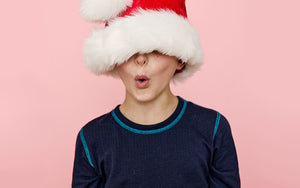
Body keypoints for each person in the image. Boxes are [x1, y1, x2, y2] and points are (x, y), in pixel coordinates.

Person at [72, 0, 240, 187]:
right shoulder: (92, 138)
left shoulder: (213, 129)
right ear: (113, 60)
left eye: (154, 48)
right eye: (128, 49)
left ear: (181, 59)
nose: (141, 59)